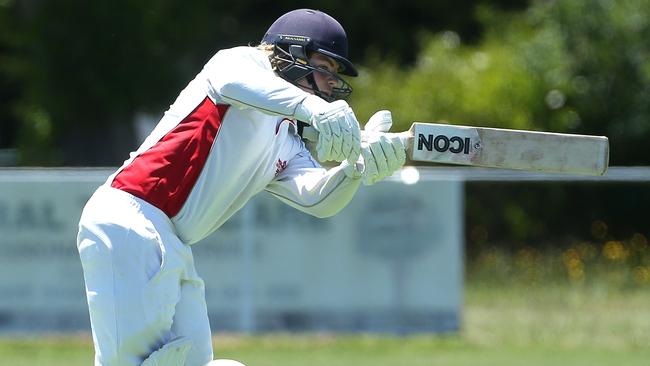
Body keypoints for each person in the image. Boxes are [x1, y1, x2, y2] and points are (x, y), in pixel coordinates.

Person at [76, 8, 405, 366]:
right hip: (128, 219)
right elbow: (234, 82)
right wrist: (312, 109)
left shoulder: (286, 137)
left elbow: (319, 199)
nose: (330, 83)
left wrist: (355, 169)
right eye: (325, 68)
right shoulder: (239, 63)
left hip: (172, 241)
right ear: (292, 52)